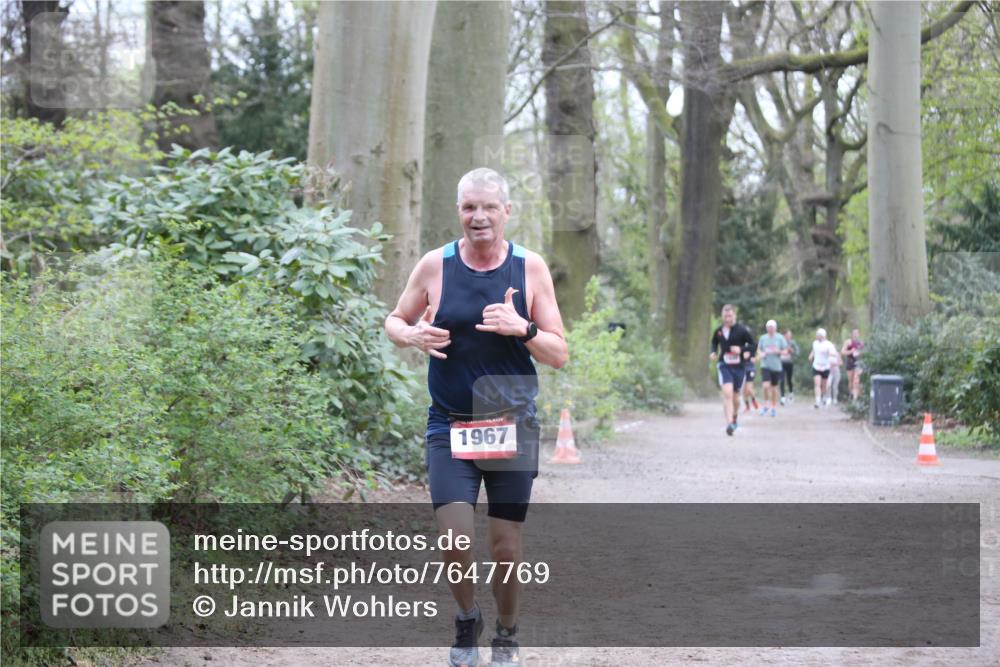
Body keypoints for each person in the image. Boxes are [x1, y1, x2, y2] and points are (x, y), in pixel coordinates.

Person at [385, 168, 568, 667]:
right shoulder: (434, 265)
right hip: (449, 423)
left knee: (505, 550)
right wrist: (411, 336)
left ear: (507, 211)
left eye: (489, 207)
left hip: (510, 420)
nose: (478, 216)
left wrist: (522, 327)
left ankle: (507, 633)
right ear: (459, 211)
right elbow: (394, 319)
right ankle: (467, 620)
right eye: (469, 207)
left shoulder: (530, 269)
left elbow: (558, 353)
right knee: (454, 537)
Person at [709, 304, 756, 436]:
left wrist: (742, 350)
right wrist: (713, 352)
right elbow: (714, 342)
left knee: (736, 398)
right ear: (722, 317)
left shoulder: (742, 330)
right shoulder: (719, 331)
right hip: (724, 365)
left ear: (734, 316)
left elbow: (753, 346)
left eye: (730, 316)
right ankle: (729, 423)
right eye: (725, 316)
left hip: (740, 367)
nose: (727, 318)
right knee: (727, 394)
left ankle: (734, 417)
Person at [757, 320, 788, 417]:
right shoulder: (763, 338)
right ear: (766, 328)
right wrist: (761, 353)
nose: (770, 329)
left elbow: (786, 351)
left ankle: (773, 407)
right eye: (769, 327)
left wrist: (779, 351)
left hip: (776, 366)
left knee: (774, 387)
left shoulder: (780, 338)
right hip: (765, 365)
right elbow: (758, 349)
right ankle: (766, 404)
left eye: (772, 327)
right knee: (766, 386)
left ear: (775, 328)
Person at [809, 328, 838, 408]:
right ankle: (817, 401)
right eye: (816, 334)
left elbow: (834, 354)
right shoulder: (815, 343)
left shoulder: (828, 344)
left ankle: (824, 396)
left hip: (825, 367)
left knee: (824, 385)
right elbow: (814, 351)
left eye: (818, 334)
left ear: (822, 336)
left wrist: (829, 353)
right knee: (817, 384)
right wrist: (811, 356)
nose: (817, 336)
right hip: (816, 366)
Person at [842, 329, 865, 402]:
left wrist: (861, 353)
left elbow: (864, 353)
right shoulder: (848, 342)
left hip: (858, 363)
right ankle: (851, 395)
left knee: (856, 381)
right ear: (852, 334)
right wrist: (850, 351)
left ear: (859, 334)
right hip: (850, 363)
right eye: (854, 333)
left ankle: (855, 399)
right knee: (851, 381)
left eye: (857, 333)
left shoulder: (861, 343)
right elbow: (842, 352)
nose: (855, 334)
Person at [779, 329, 800, 405]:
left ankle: (791, 393)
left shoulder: (792, 342)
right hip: (781, 363)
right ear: (784, 335)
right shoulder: (779, 342)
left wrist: (792, 351)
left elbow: (797, 352)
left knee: (789, 379)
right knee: (781, 379)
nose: (789, 336)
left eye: (790, 335)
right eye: (788, 335)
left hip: (789, 363)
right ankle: (782, 397)